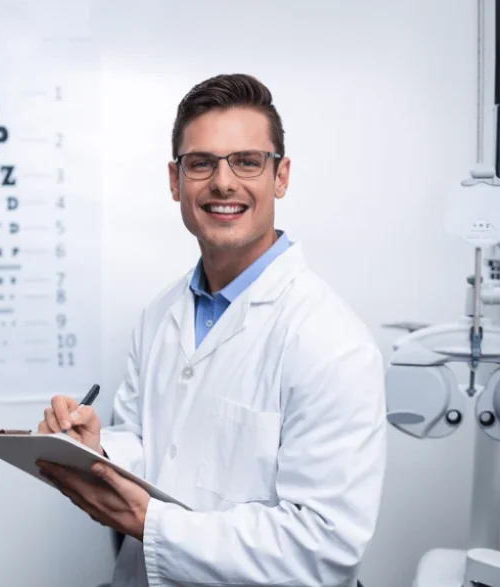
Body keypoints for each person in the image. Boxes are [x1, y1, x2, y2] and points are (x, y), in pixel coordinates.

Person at [36, 73, 387, 587]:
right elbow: (155, 440)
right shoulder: (161, 313)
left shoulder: (332, 342)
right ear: (175, 180)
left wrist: (152, 524)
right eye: (201, 163)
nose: (223, 182)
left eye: (247, 161)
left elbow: (323, 547)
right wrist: (100, 450)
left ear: (281, 177)